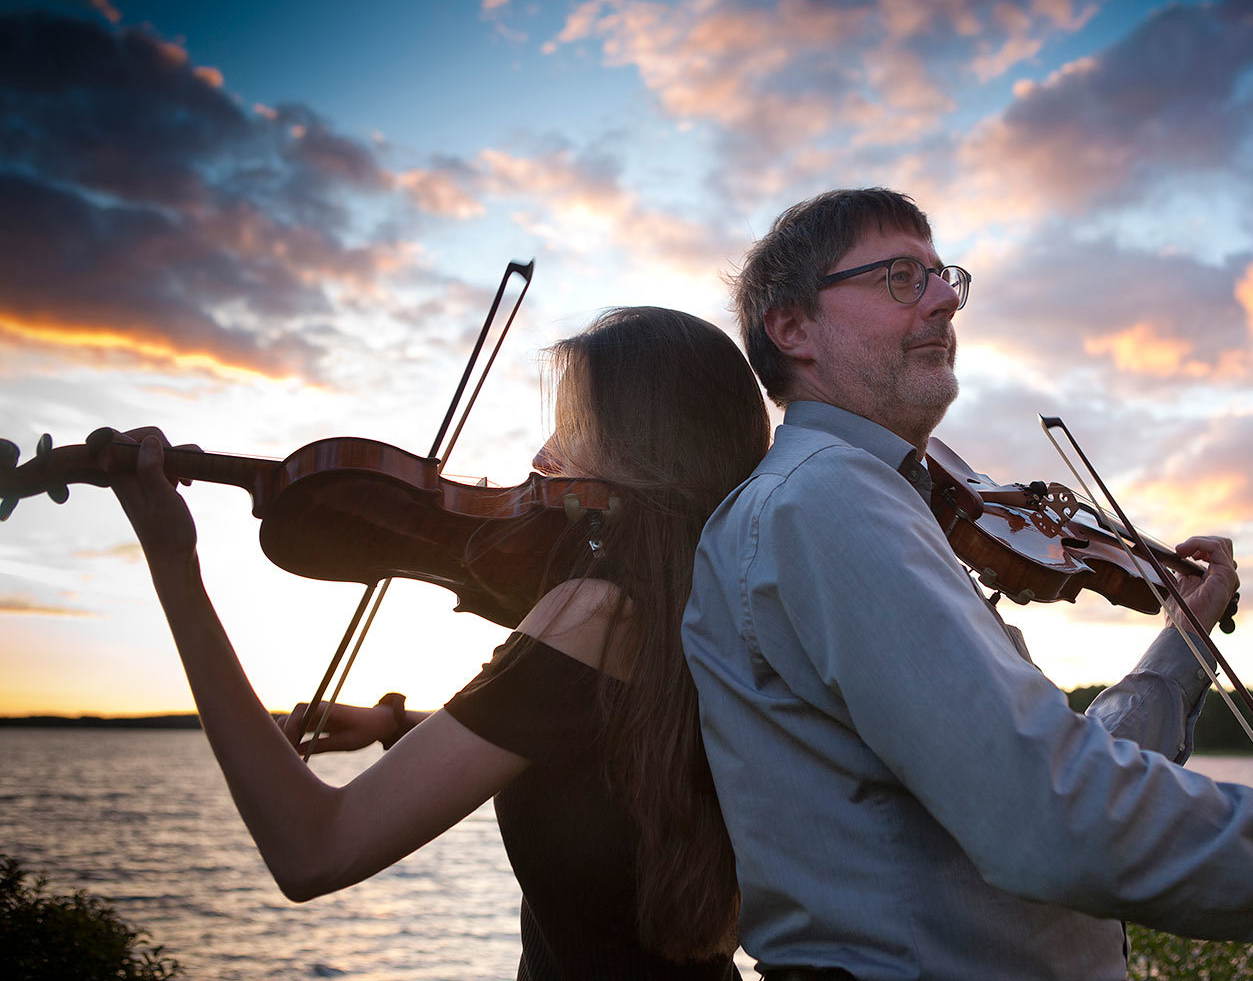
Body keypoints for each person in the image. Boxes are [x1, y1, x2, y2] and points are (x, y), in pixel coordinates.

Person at [681, 189, 1253, 981]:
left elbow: (1050, 772)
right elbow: (1051, 810)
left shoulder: (866, 505)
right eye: (899, 278)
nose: (944, 302)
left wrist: (1182, 645)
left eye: (943, 277)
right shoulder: (826, 501)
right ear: (792, 327)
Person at [96, 306, 771, 980]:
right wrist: (395, 725)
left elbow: (311, 850)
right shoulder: (717, 610)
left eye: (573, 428)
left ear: (643, 452)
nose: (540, 457)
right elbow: (595, 749)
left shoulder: (592, 615)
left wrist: (174, 564)